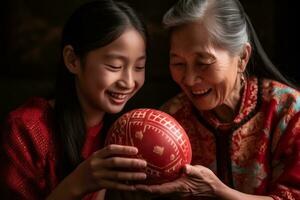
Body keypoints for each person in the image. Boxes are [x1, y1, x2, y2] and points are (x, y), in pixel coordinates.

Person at [136, 0, 300, 199]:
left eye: (203, 62)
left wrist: (219, 192)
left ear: (242, 57)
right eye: (178, 63)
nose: (188, 79)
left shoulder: (289, 112)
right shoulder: (169, 121)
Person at [0, 0, 149, 199]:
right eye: (114, 66)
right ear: (73, 60)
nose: (129, 82)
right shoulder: (26, 129)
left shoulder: (131, 131)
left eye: (139, 67)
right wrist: (78, 183)